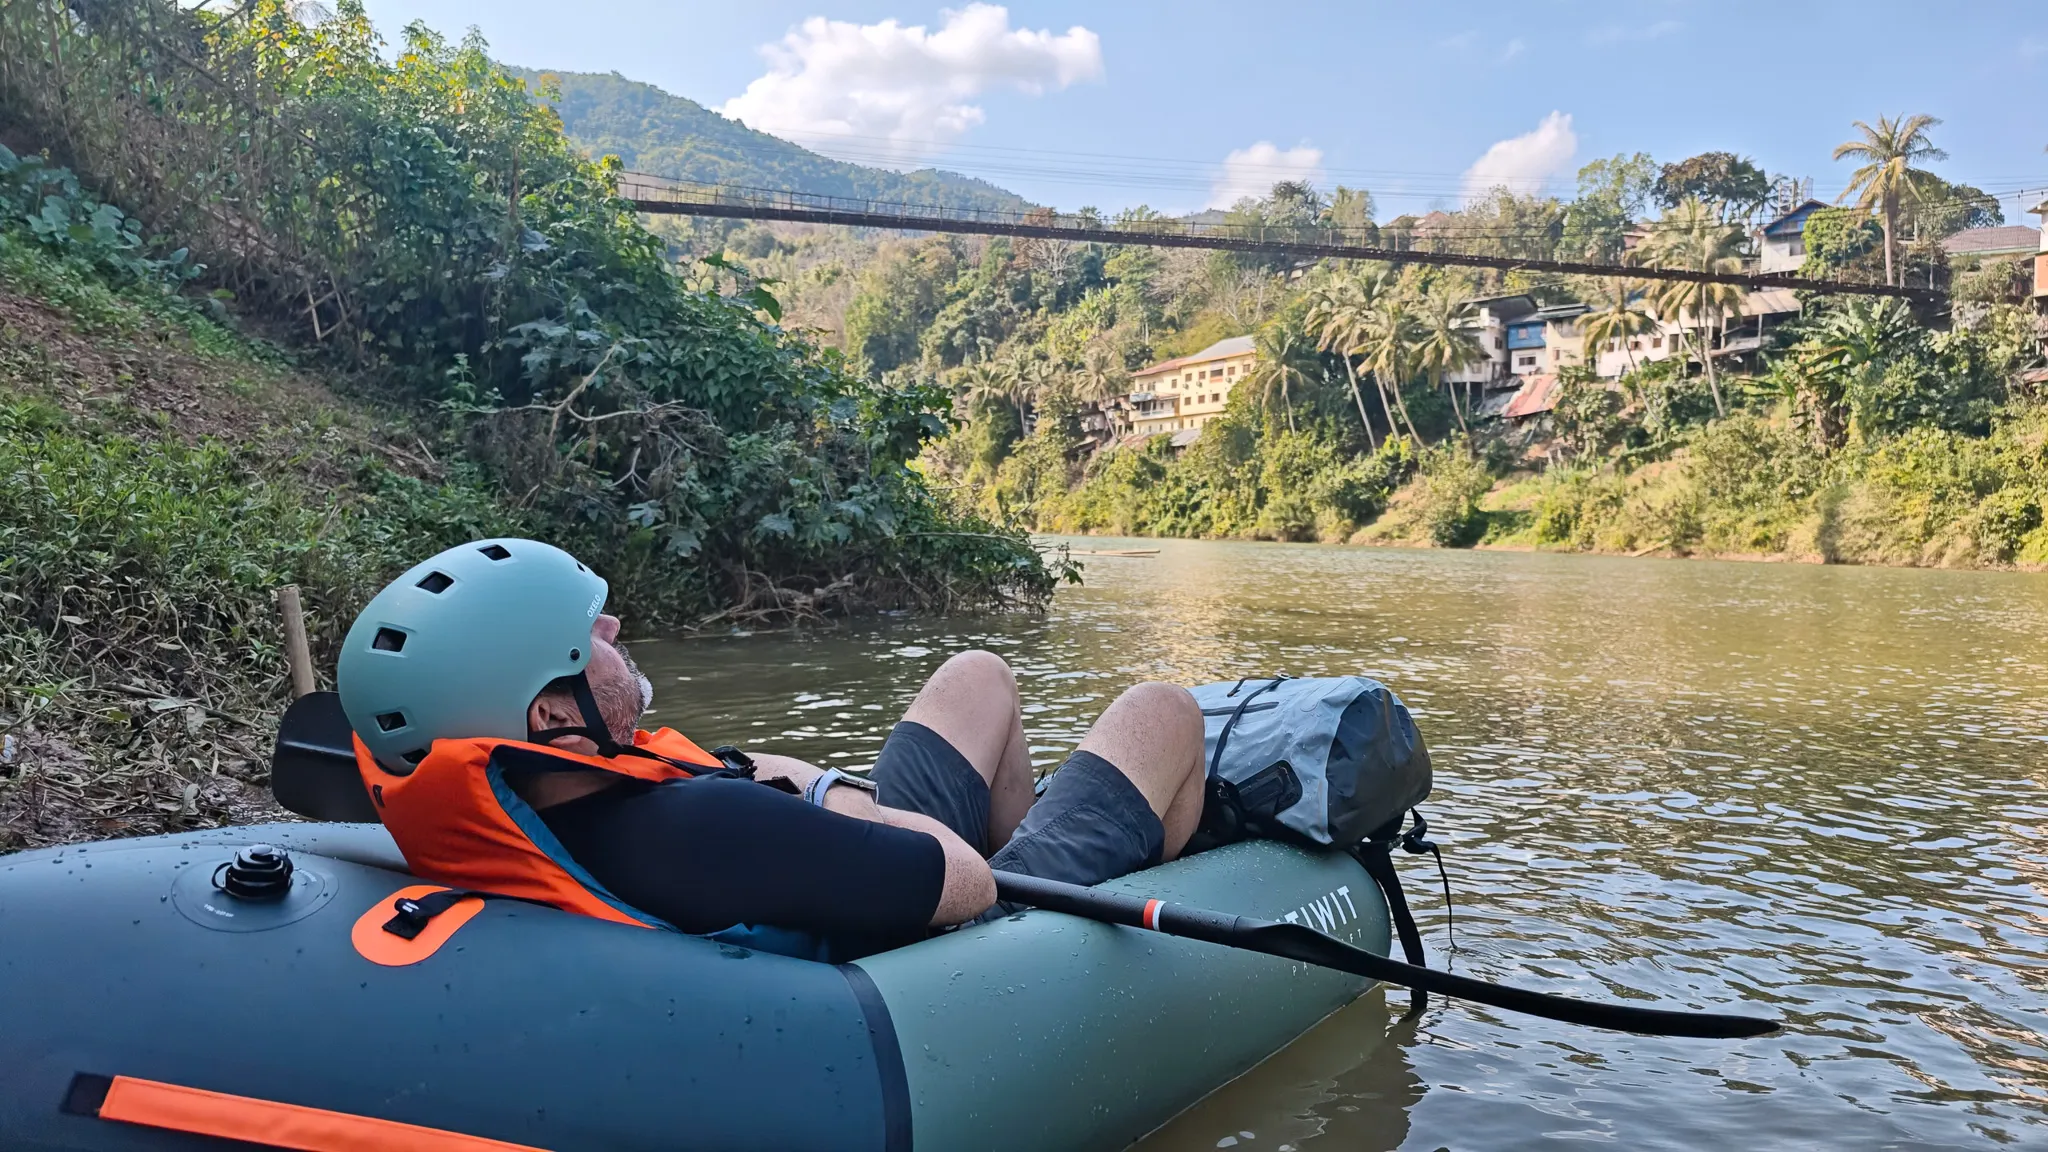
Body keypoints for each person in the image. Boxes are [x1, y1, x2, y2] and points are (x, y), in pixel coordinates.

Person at [336, 537, 1207, 961]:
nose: (611, 626)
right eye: (586, 636)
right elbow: (968, 886)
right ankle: (1139, 864)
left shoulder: (549, 811)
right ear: (553, 723)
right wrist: (825, 785)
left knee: (976, 673)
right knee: (1162, 708)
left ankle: (1045, 838)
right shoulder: (704, 827)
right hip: (959, 922)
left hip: (845, 869)